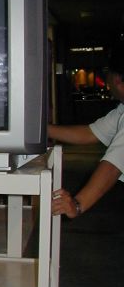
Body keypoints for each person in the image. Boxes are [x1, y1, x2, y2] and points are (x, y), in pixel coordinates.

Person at [49, 40, 124, 219]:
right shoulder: (122, 110)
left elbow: (114, 165)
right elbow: (89, 134)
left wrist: (77, 205)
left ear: (116, 79)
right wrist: (36, 129)